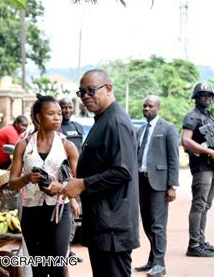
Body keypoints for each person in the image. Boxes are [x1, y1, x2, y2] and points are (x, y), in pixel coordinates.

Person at [61, 69, 140, 277]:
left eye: (91, 90)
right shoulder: (102, 119)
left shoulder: (116, 122)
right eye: (81, 92)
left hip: (113, 227)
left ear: (109, 88)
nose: (86, 96)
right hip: (101, 224)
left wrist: (82, 184)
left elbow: (122, 171)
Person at [9, 94, 80, 277]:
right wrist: (26, 179)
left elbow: (78, 181)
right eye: (51, 113)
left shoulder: (67, 146)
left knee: (57, 267)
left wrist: (69, 196)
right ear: (39, 117)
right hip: (31, 212)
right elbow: (12, 183)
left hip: (58, 211)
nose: (58, 117)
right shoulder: (23, 146)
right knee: (39, 268)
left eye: (58, 113)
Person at [134, 95, 179, 276]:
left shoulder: (168, 128)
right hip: (141, 181)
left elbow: (173, 159)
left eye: (150, 106)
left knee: (158, 225)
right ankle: (153, 259)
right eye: (144, 106)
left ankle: (160, 264)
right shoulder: (141, 129)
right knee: (146, 222)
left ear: (157, 108)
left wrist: (172, 186)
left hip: (159, 184)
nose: (146, 109)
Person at [181, 82, 214, 257]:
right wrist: (208, 151)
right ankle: (194, 244)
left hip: (213, 168)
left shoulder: (209, 117)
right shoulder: (192, 116)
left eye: (209, 95)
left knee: (206, 205)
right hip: (201, 167)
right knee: (199, 205)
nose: (206, 97)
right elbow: (186, 140)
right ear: (196, 98)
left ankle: (201, 241)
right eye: (202, 95)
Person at [58, 97, 84, 263]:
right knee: (63, 216)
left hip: (78, 177)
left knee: (74, 216)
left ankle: (68, 250)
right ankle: (62, 250)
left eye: (69, 107)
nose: (67, 110)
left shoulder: (78, 127)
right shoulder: (56, 128)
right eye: (63, 108)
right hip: (62, 177)